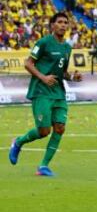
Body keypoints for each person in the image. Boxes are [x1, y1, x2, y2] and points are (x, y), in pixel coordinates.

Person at [8, 12, 82, 176]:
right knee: (43, 131)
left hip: (58, 92)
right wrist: (43, 77)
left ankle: (43, 166)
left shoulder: (67, 47)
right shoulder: (43, 42)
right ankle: (18, 142)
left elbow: (62, 72)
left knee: (60, 128)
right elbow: (28, 63)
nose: (63, 25)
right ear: (53, 25)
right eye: (60, 22)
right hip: (41, 91)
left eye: (65, 22)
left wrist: (73, 77)